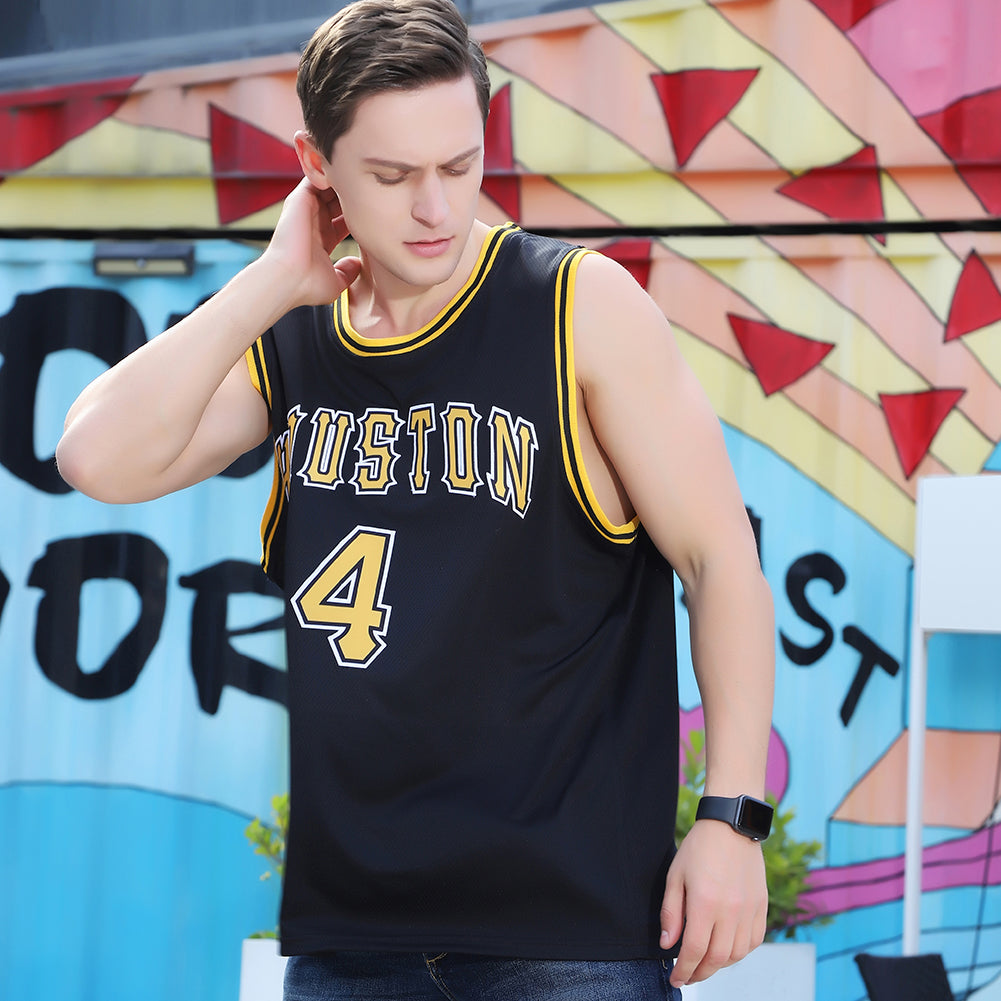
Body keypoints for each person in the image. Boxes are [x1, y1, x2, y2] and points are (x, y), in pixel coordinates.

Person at [57, 0, 775, 996]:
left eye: (459, 165)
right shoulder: (293, 333)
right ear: (317, 164)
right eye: (393, 177)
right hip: (351, 937)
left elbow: (717, 560)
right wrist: (271, 281)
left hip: (568, 933)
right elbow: (95, 457)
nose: (435, 208)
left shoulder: (576, 305)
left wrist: (732, 818)